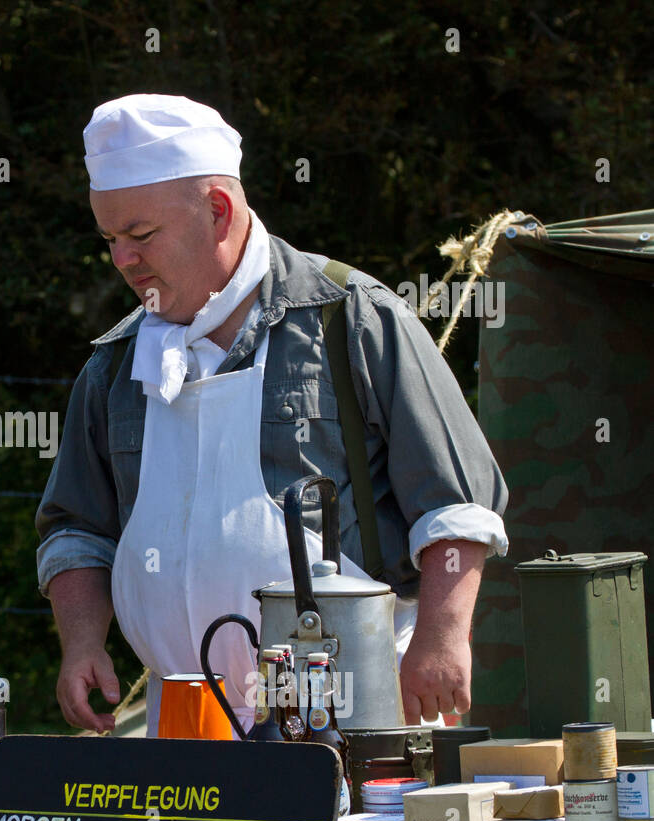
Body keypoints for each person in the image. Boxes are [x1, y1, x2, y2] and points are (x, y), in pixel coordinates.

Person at [36, 94, 509, 736]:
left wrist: (441, 639)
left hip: (358, 712)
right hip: (187, 730)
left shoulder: (352, 319)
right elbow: (76, 531)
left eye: (141, 235)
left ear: (219, 210)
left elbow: (455, 505)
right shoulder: (117, 364)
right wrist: (83, 642)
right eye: (111, 239)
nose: (122, 259)